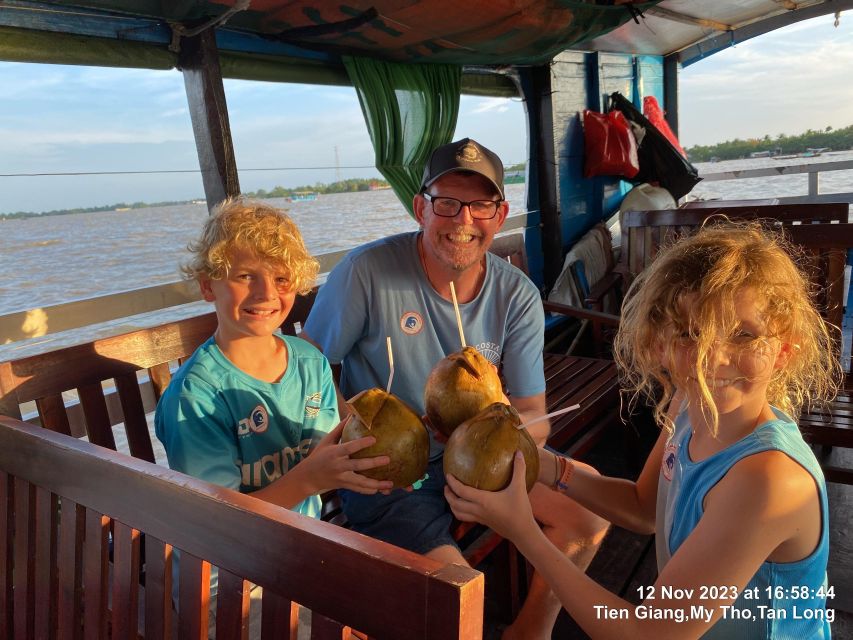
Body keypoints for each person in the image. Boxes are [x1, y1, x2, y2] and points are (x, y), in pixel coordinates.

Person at [446, 222, 839, 638]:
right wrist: (540, 463)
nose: (713, 359)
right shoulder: (688, 404)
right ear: (658, 345)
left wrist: (523, 531)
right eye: (690, 334)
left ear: (784, 350)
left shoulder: (768, 480)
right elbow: (642, 506)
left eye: (744, 335)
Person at [303, 138, 609, 639]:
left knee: (588, 518)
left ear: (500, 213)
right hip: (392, 475)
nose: (463, 220)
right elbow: (309, 373)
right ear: (421, 207)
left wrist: (506, 458)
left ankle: (530, 632)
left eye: (481, 205)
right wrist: (361, 444)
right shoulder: (367, 273)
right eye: (447, 202)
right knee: (457, 589)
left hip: (481, 464)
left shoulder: (517, 295)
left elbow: (532, 408)